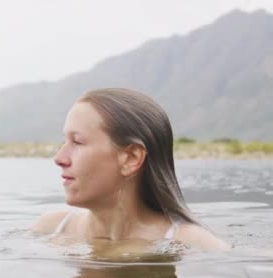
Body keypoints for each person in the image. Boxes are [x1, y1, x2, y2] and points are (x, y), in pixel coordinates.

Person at [32, 88, 229, 251]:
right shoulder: (51, 228)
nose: (59, 158)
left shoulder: (191, 243)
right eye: (64, 140)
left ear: (131, 158)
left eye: (77, 141)